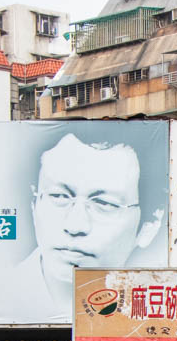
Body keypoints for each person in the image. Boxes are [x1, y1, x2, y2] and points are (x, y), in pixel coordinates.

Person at [18, 133, 165, 312]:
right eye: (59, 196)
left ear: (150, 226)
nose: (74, 226)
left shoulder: (155, 304)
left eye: (104, 203)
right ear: (34, 205)